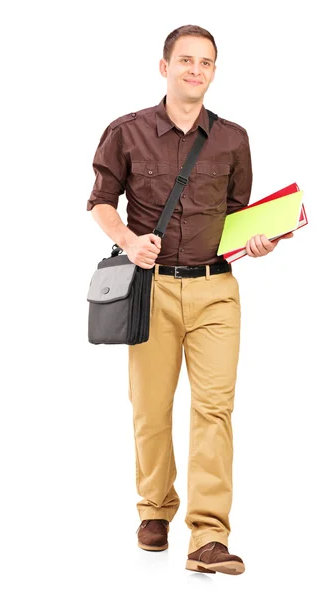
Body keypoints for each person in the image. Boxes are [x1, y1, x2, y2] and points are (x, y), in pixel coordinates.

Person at [86, 24, 293, 576]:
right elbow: (100, 202)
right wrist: (129, 243)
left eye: (205, 62)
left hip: (217, 291)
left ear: (213, 72)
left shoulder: (232, 138)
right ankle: (154, 510)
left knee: (214, 410)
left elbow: (236, 219)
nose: (195, 70)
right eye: (185, 60)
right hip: (150, 291)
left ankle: (208, 536)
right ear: (165, 67)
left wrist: (260, 242)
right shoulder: (126, 132)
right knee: (150, 410)